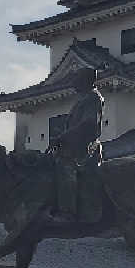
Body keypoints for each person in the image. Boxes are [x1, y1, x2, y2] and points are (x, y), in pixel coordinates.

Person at [49, 67, 104, 222]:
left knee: (64, 168)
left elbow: (89, 124)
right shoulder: (83, 99)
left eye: (77, 79)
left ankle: (68, 212)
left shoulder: (93, 98)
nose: (74, 82)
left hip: (85, 148)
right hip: (74, 147)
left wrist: (63, 137)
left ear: (85, 81)